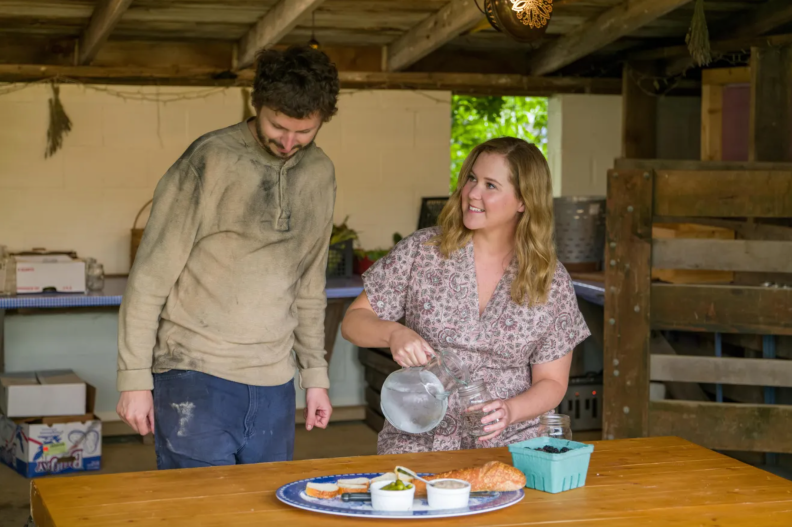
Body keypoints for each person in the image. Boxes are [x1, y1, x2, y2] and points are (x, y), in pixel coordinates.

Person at [115, 45, 340, 468]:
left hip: (275, 380)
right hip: (193, 373)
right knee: (203, 512)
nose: (289, 143)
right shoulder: (209, 160)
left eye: (305, 132)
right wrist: (133, 380)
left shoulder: (320, 173)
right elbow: (149, 279)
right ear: (257, 104)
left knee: (264, 509)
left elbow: (309, 285)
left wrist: (315, 377)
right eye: (278, 126)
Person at [341, 137, 590, 454]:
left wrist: (510, 410)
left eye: (490, 185)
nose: (472, 192)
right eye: (472, 178)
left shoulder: (549, 279)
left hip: (512, 444)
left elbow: (552, 383)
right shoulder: (423, 251)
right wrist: (393, 333)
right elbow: (353, 321)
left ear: (524, 201)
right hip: (419, 439)